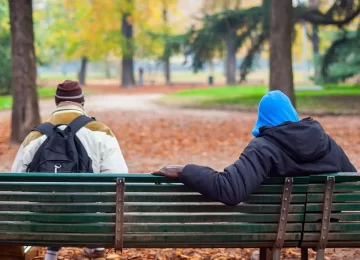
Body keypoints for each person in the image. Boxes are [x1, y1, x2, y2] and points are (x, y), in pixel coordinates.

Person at [152, 90, 357, 206]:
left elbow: (230, 190)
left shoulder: (263, 148)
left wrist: (184, 170)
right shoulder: (326, 142)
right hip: (321, 227)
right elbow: (352, 185)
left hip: (273, 228)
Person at [11, 80, 128, 260]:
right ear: (82, 102)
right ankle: (95, 244)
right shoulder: (101, 133)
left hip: (42, 223)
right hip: (91, 224)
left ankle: (51, 252)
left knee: (54, 197)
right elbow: (121, 178)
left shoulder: (35, 136)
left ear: (57, 102)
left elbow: (15, 184)